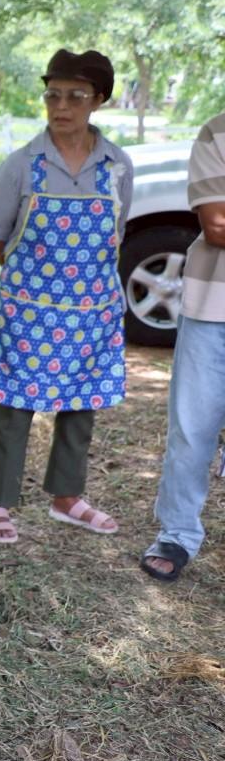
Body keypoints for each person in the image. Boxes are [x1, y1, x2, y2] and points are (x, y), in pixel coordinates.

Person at [0, 49, 132, 544]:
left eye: (75, 96)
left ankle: (67, 497)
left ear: (97, 101)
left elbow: (117, 234)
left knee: (81, 404)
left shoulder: (118, 166)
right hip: (28, 310)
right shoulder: (24, 163)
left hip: (92, 310)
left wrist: (81, 290)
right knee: (14, 406)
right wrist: (37, 288)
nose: (62, 106)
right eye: (53, 95)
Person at [139, 112, 225, 581]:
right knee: (194, 428)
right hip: (215, 303)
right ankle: (178, 532)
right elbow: (217, 224)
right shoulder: (218, 132)